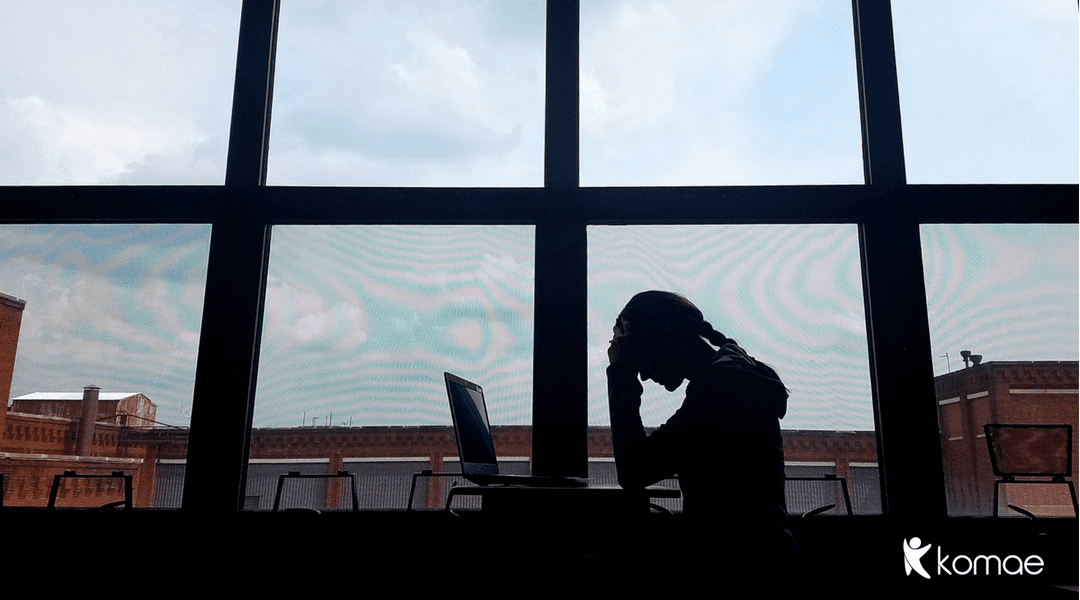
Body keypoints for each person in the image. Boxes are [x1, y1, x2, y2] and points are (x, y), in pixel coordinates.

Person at [606, 290, 803, 582]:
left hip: (745, 573)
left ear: (665, 337)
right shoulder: (733, 378)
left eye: (641, 358)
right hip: (768, 566)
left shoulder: (721, 391)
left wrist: (621, 371)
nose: (644, 375)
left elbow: (634, 469)